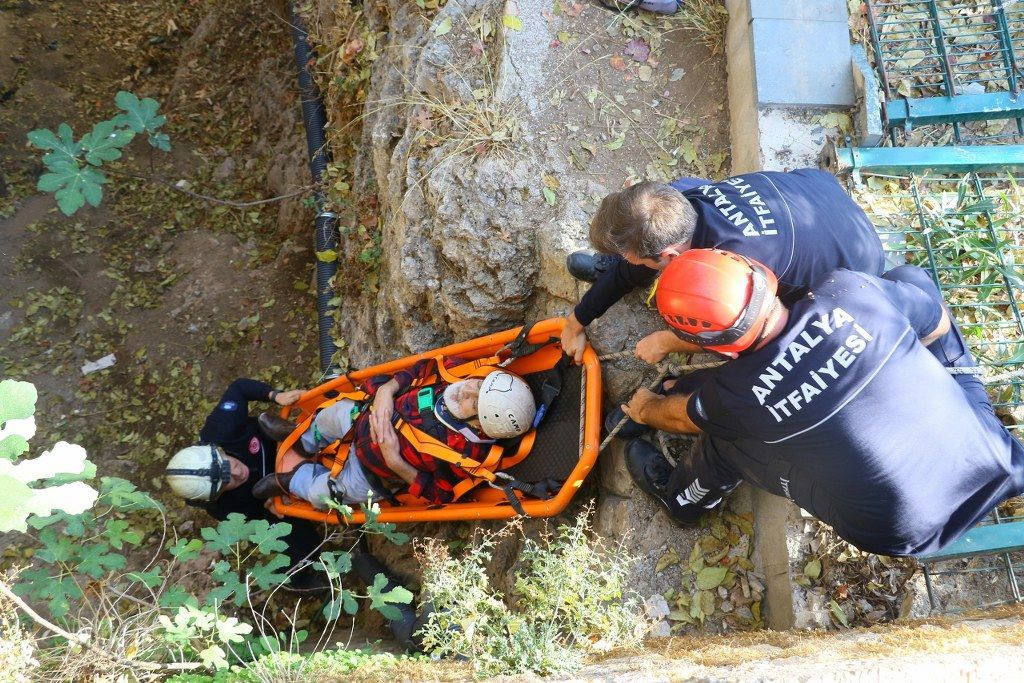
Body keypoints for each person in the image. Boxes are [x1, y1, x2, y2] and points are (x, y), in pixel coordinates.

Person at [620, 248, 1024, 557]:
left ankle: (682, 502)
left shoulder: (737, 395)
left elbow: (686, 417)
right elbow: (936, 324)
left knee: (727, 443)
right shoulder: (849, 291)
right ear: (760, 275)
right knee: (908, 280)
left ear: (711, 343)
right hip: (1000, 462)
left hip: (906, 530)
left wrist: (646, 409)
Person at [561, 170, 887, 364]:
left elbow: (737, 333)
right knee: (655, 229)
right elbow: (638, 262)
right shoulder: (678, 199)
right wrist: (577, 322)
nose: (627, 262)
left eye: (628, 256)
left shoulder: (728, 269)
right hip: (818, 192)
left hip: (852, 271)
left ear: (672, 256)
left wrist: (668, 341)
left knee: (761, 335)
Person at [251, 360, 537, 510]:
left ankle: (290, 481)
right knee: (332, 415)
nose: (467, 389)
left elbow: (442, 494)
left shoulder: (468, 453)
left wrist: (396, 462)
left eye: (473, 402)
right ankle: (301, 439)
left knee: (322, 494)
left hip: (372, 473)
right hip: (363, 420)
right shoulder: (457, 376)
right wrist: (386, 392)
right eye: (478, 384)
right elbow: (421, 367)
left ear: (479, 426)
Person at [164, 378, 326, 590]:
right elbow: (259, 517)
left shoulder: (222, 430)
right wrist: (272, 506)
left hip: (281, 439)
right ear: (218, 494)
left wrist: (275, 396)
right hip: (279, 487)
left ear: (219, 451)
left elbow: (238, 388)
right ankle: (297, 580)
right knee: (303, 543)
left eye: (229, 465)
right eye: (228, 481)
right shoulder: (227, 507)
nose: (239, 472)